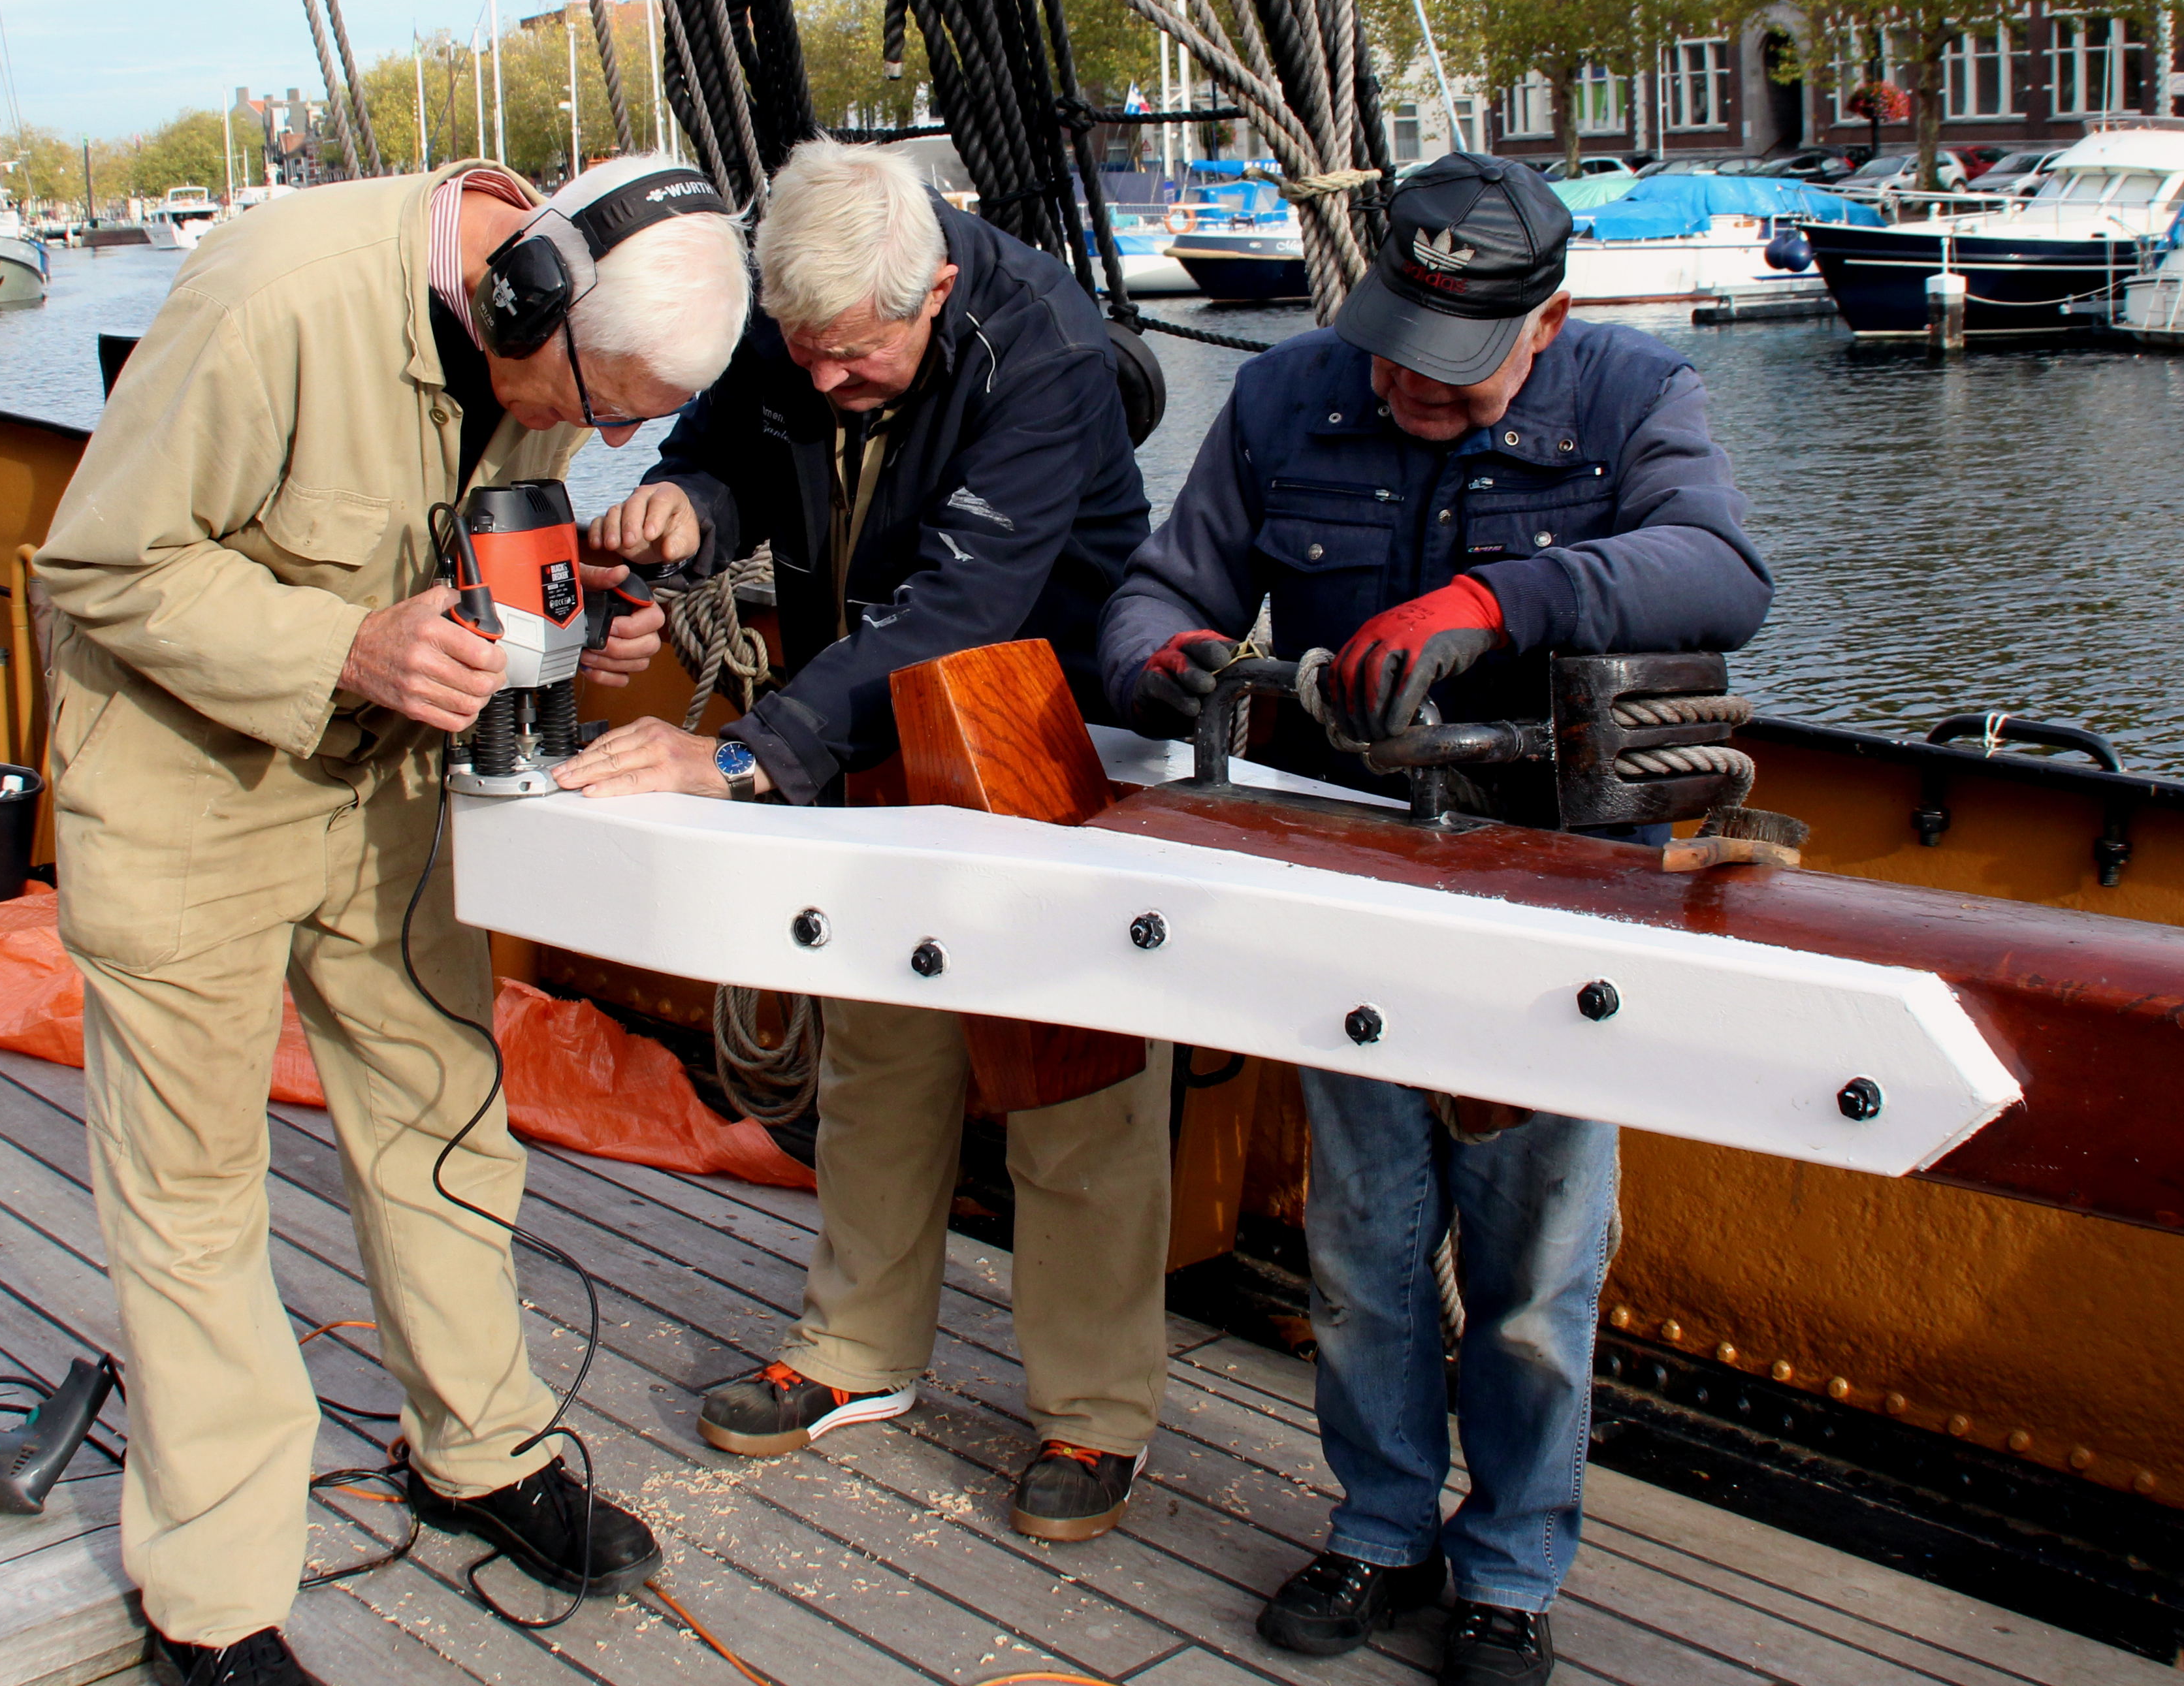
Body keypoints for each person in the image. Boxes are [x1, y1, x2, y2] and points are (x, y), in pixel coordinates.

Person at [36, 153, 748, 1686]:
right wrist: (349, 646)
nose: (608, 436)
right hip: (184, 787)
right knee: (194, 1187)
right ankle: (213, 1599)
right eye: (599, 398)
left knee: (442, 1111)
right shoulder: (270, 297)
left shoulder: (539, 345)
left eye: (635, 423)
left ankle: (477, 1451)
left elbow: (471, 538)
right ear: (523, 292)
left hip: (385, 793)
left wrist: (576, 619)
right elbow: (103, 560)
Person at [1096, 152, 1771, 1686]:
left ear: (1550, 324)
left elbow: (1723, 573)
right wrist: (1177, 664)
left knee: (1533, 1271)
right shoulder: (1284, 400)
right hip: (1350, 881)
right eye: (1396, 342)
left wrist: (1493, 604)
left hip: (1552, 894)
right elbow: (1152, 596)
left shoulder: (1635, 396)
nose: (1411, 384)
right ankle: (1383, 1529)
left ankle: (1513, 1574)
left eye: (1457, 369)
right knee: (1365, 1237)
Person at [558, 138, 1163, 1542]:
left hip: (1036, 726)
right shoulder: (810, 324)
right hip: (876, 727)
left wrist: (743, 757)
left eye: (854, 358)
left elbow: (968, 605)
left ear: (939, 287)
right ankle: (856, 1354)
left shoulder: (1049, 356)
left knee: (1067, 1077)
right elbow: (732, 459)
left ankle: (1093, 1414)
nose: (822, 380)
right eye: (802, 351)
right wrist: (682, 511)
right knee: (880, 1051)